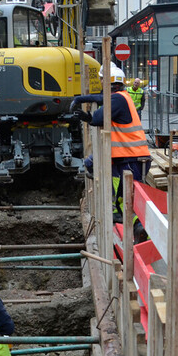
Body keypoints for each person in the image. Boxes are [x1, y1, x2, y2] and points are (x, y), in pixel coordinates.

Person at [69, 64, 150, 243]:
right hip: (125, 156)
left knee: (127, 197)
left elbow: (98, 118)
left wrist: (87, 115)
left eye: (102, 79)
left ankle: (140, 230)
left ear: (108, 81)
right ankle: (130, 227)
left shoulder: (118, 100)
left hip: (131, 156)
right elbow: (100, 100)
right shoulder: (121, 96)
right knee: (121, 196)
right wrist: (82, 100)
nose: (100, 82)